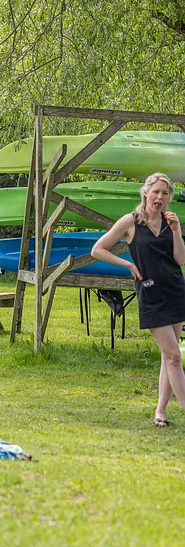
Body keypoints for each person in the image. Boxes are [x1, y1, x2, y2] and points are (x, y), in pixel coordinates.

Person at [91, 172, 185, 427]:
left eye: (165, 194)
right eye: (156, 192)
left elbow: (180, 260)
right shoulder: (130, 222)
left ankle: (161, 412)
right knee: (174, 357)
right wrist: (127, 264)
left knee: (170, 355)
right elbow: (98, 249)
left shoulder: (171, 222)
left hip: (175, 290)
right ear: (146, 192)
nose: (160, 197)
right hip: (151, 293)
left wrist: (176, 232)